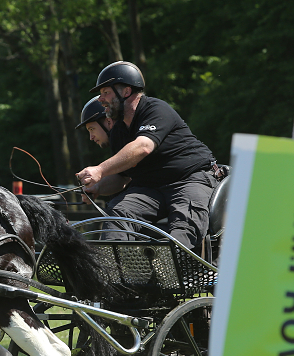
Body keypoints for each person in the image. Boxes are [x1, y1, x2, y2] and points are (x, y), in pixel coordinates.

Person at [75, 61, 220, 251]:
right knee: (119, 212)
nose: (101, 99)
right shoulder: (119, 131)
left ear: (126, 92)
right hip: (152, 189)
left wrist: (100, 170)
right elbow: (122, 177)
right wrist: (98, 187)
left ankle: (170, 274)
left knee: (182, 230)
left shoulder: (155, 109)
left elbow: (143, 147)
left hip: (190, 179)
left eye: (105, 93)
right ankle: (114, 273)